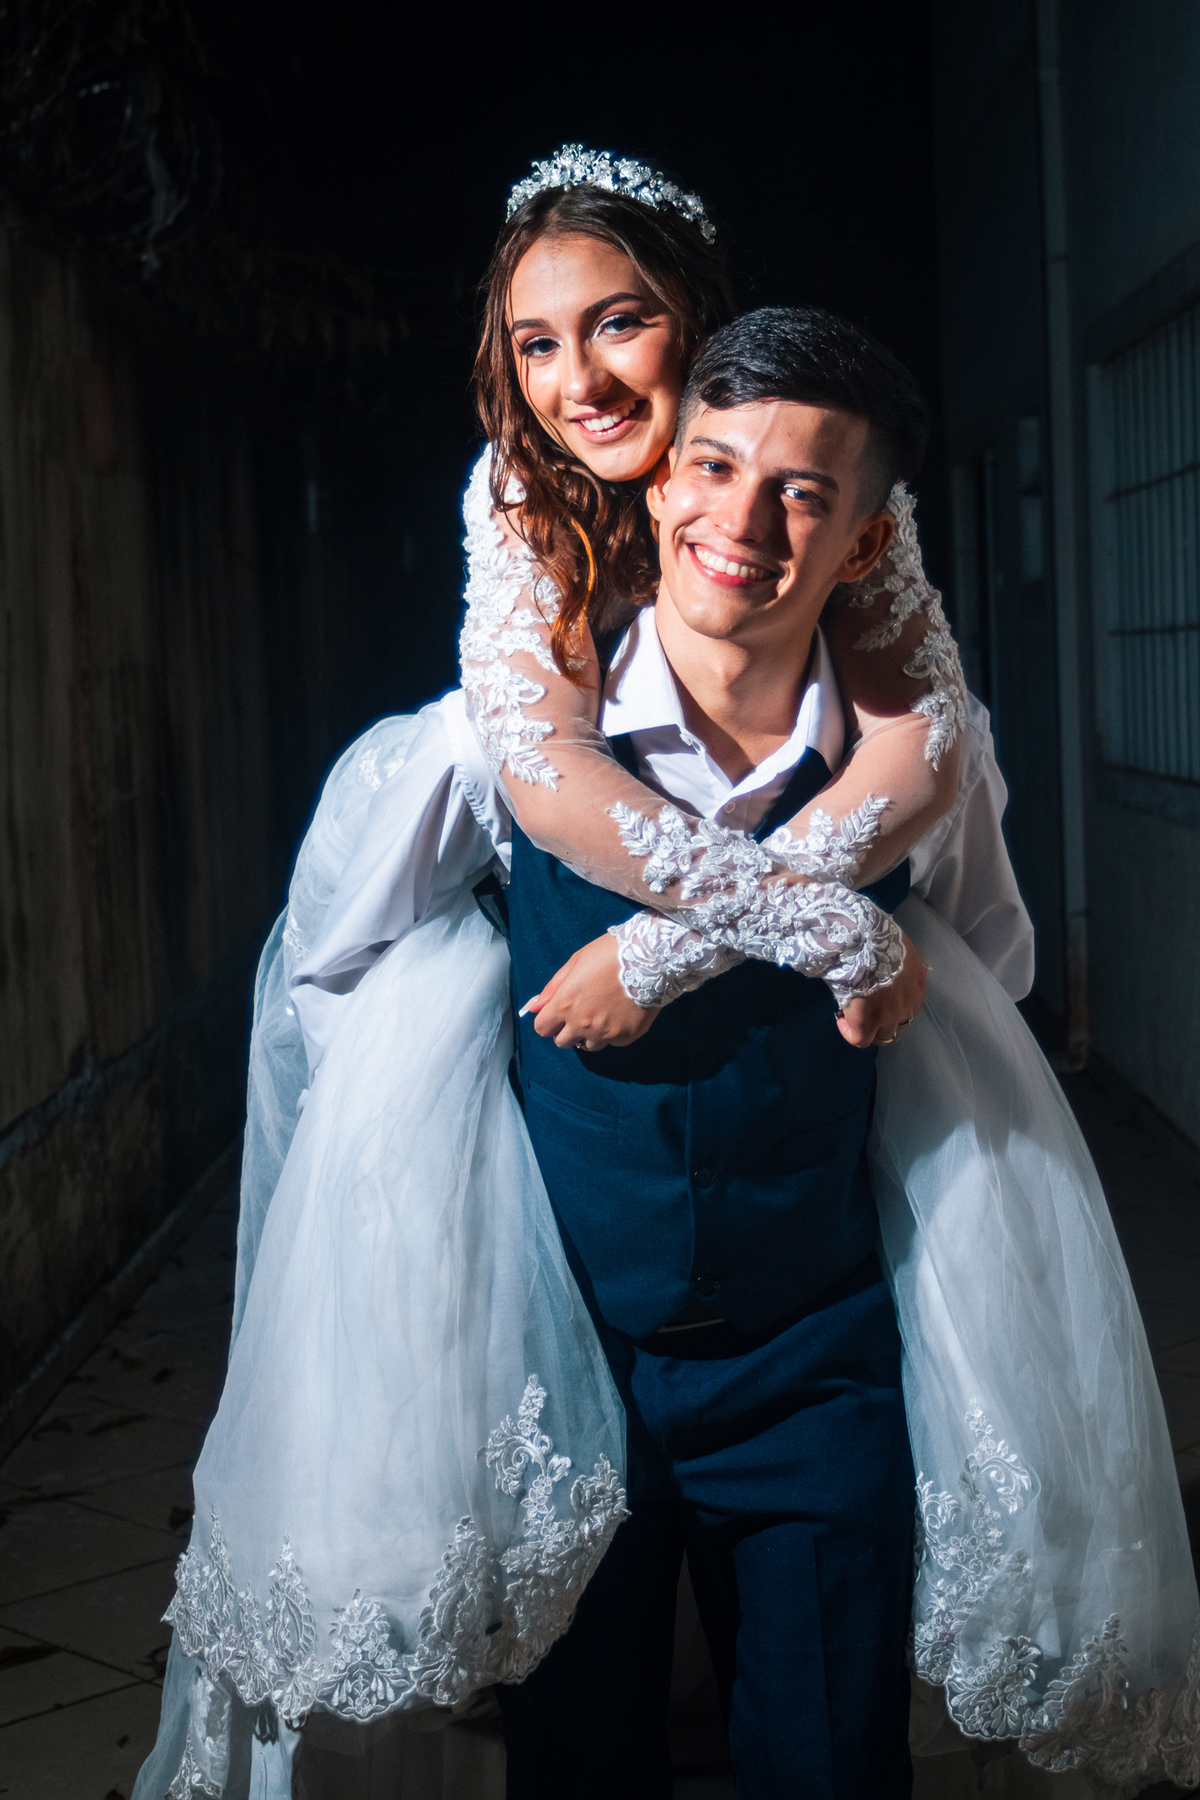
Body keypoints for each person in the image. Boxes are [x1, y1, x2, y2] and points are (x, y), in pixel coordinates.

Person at [131, 152, 1199, 1800]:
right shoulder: (519, 535)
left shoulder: (841, 514)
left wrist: (694, 944)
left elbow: (937, 808)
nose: (578, 381)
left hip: (812, 1347)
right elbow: (491, 825)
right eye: (535, 344)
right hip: (571, 1340)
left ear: (698, 331)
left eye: (618, 324)